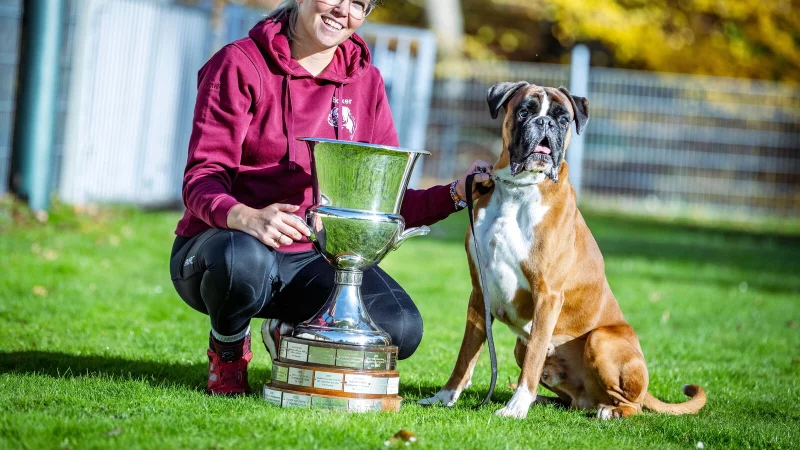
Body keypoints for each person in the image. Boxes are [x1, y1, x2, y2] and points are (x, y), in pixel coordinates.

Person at [169, 0, 493, 396]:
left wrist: (457, 193)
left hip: (314, 256)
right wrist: (247, 217)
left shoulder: (367, 81)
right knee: (242, 263)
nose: (343, 9)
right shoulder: (238, 63)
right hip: (225, 246)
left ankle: (290, 332)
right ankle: (229, 350)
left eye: (359, 3)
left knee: (400, 328)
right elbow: (201, 178)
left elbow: (385, 202)